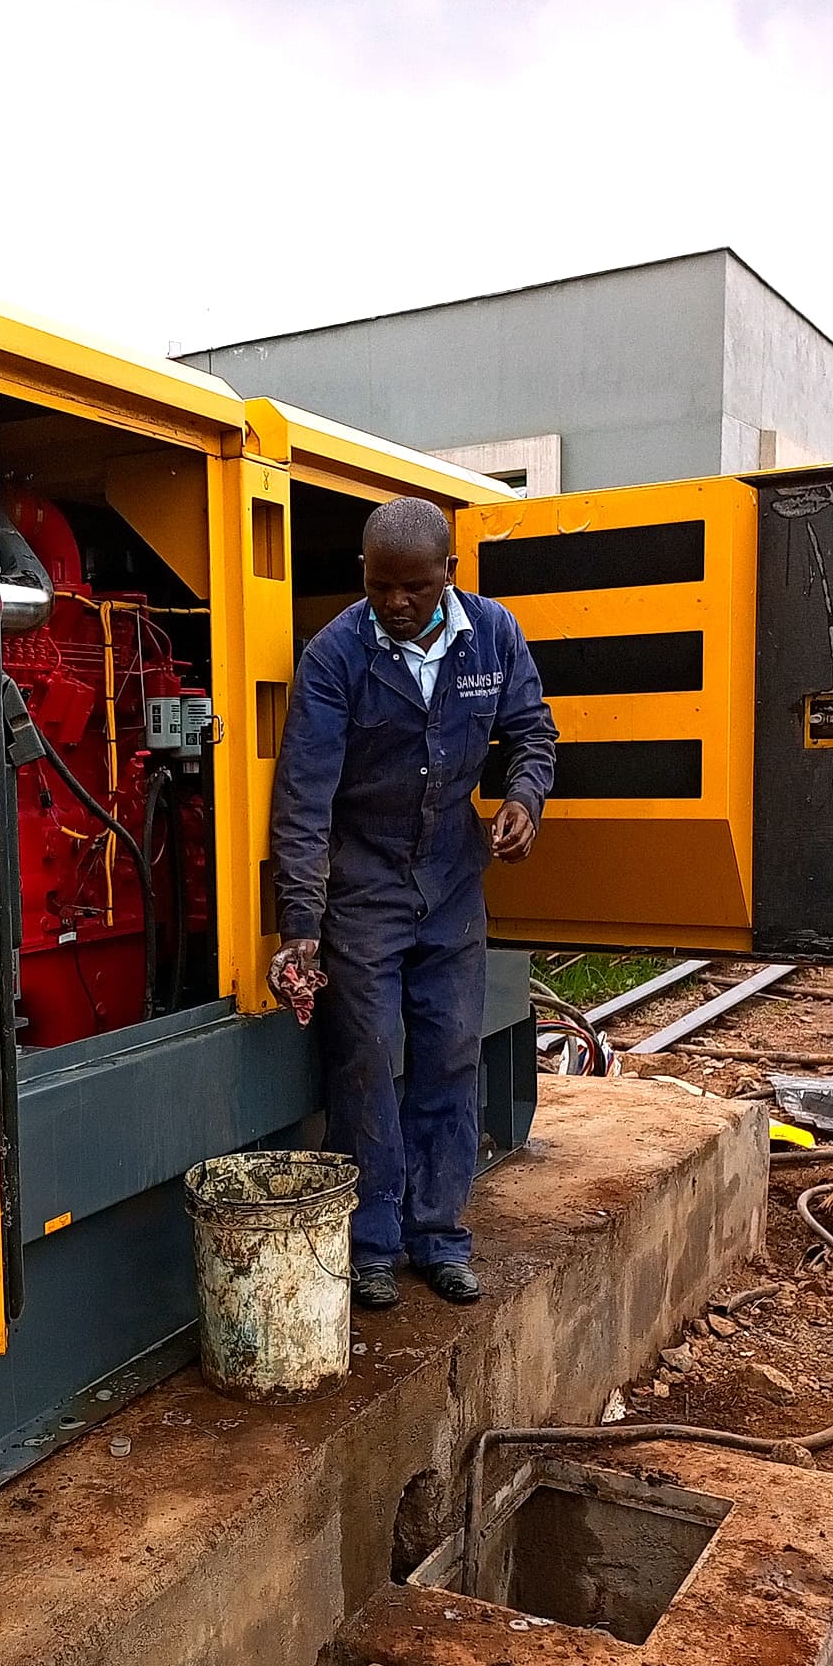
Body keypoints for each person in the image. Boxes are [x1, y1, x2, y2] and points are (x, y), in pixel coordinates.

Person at [268, 495, 557, 1310]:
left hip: (454, 881)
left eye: (414, 589)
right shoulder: (335, 657)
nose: (394, 604)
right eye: (379, 585)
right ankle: (371, 1243)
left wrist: (525, 801)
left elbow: (534, 732)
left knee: (450, 1052)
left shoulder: (493, 636)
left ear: (449, 577)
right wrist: (301, 922)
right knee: (362, 1056)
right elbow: (304, 797)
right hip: (363, 885)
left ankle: (439, 1236)